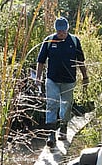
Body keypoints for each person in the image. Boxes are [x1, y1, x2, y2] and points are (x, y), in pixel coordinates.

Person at [35, 16, 89, 147]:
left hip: (69, 81)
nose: (61, 34)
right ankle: (51, 134)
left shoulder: (74, 41)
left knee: (66, 106)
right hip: (52, 79)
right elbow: (41, 61)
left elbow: (80, 61)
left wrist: (85, 77)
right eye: (59, 31)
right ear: (56, 30)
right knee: (51, 105)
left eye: (63, 31)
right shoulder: (49, 41)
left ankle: (63, 127)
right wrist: (38, 78)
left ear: (67, 29)